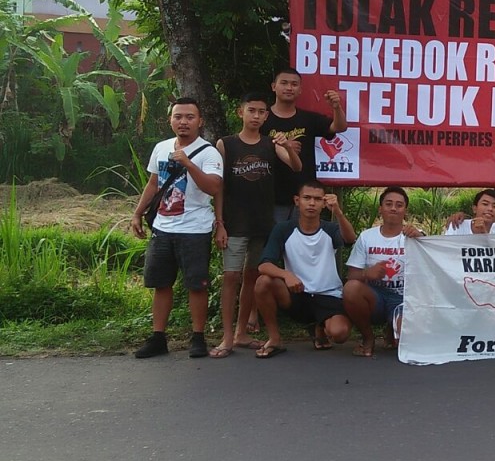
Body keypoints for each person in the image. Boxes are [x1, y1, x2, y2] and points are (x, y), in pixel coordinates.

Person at [208, 93, 302, 358]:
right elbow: (218, 188)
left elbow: (296, 167)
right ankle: (226, 337)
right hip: (234, 223)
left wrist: (287, 146)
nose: (257, 116)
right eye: (252, 111)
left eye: (262, 112)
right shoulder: (225, 145)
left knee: (252, 276)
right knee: (230, 277)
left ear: (266, 116)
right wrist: (220, 223)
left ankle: (241, 333)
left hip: (263, 223)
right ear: (241, 112)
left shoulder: (270, 144)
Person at [130, 97, 224, 359]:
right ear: (170, 119)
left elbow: (213, 188)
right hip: (162, 227)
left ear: (200, 121)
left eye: (189, 117)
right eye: (178, 117)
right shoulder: (161, 148)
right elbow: (153, 184)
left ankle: (198, 338)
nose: (183, 122)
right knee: (161, 284)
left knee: (197, 285)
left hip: (195, 229)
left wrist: (189, 164)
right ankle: (158, 337)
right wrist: (138, 213)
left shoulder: (209, 153)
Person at [253, 181, 357, 358]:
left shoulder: (330, 229)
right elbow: (264, 264)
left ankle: (319, 327)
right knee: (263, 282)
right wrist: (286, 275)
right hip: (297, 293)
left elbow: (350, 238)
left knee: (340, 334)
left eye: (317, 199)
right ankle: (275, 339)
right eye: (307, 198)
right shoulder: (283, 229)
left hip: (328, 295)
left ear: (324, 203)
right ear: (296, 200)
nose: (311, 203)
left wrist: (337, 212)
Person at [343, 187, 425, 357]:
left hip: (404, 299)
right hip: (376, 297)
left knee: (409, 343)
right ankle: (368, 337)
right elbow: (351, 276)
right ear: (380, 209)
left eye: (399, 205)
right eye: (388, 204)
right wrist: (367, 273)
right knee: (351, 288)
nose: (393, 208)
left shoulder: (415, 235)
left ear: (405, 211)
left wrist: (421, 239)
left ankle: (392, 329)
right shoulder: (367, 237)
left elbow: (431, 268)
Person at [261, 68, 347, 222]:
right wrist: (281, 147)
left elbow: (339, 127)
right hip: (270, 195)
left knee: (301, 242)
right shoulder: (262, 118)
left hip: (304, 197)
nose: (289, 88)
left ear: (300, 90)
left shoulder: (308, 119)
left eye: (294, 84)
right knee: (275, 242)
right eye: (284, 83)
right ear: (274, 86)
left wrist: (336, 106)